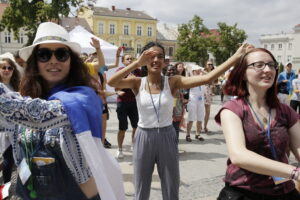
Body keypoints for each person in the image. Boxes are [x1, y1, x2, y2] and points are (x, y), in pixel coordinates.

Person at [108, 41, 252, 200]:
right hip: (143, 136)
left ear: (165, 61)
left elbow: (208, 77)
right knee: (141, 185)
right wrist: (136, 63)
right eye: (150, 56)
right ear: (144, 58)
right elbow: (111, 82)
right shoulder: (137, 82)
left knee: (171, 185)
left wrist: (237, 56)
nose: (155, 60)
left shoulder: (173, 81)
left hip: (167, 135)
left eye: (160, 56)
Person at [0, 22, 124, 200]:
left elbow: (36, 115)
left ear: (71, 61)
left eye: (61, 54)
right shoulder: (24, 97)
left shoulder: (84, 97)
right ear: (35, 61)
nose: (53, 60)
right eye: (44, 54)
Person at [215, 48, 300, 200]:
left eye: (271, 65)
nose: (267, 70)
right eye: (259, 65)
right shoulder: (232, 109)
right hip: (244, 192)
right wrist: (294, 172)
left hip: (283, 192)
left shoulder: (286, 111)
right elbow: (239, 156)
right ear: (243, 73)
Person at [115, 54, 141, 159]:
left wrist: (134, 79)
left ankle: (134, 145)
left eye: (131, 58)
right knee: (123, 127)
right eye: (127, 59)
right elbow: (115, 86)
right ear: (123, 61)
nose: (130, 60)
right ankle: (120, 149)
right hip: (122, 102)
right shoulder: (120, 71)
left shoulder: (138, 71)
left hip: (134, 102)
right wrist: (118, 91)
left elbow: (142, 85)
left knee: (136, 126)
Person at [0, 57, 21, 185]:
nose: (7, 70)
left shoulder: (17, 85)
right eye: (3, 67)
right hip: (3, 129)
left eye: (10, 68)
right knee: (7, 159)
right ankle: (6, 190)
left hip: (17, 128)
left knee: (14, 159)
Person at [186, 65, 206, 142]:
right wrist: (191, 70)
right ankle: (188, 134)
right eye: (196, 71)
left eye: (198, 70)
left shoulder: (203, 79)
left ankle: (198, 134)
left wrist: (202, 70)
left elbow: (208, 74)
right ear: (193, 72)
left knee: (200, 118)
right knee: (191, 118)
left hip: (201, 101)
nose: (198, 72)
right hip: (192, 100)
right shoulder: (191, 79)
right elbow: (188, 73)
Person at [203, 61, 215, 133]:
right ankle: (200, 126)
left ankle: (205, 126)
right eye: (209, 64)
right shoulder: (203, 71)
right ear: (206, 65)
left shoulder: (213, 72)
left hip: (209, 91)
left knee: (208, 111)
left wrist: (213, 88)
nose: (210, 65)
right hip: (203, 91)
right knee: (201, 111)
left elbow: (213, 82)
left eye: (211, 64)